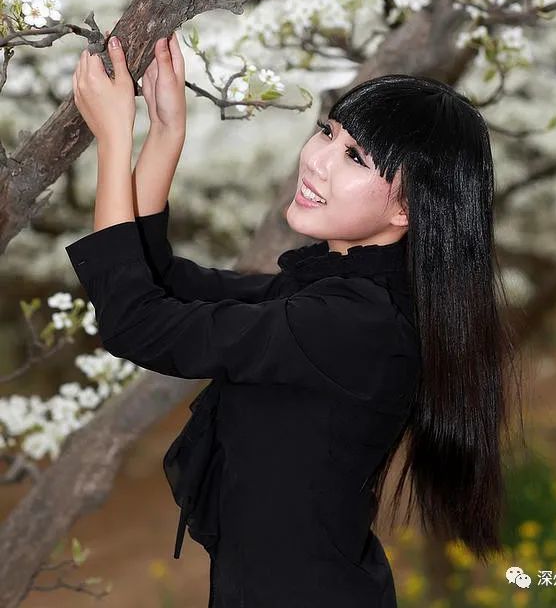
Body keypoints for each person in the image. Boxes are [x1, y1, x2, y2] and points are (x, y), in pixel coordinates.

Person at [65, 32, 522, 608]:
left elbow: (137, 322)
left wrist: (111, 143)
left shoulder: (358, 325)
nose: (316, 160)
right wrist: (163, 134)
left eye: (355, 158)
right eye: (328, 131)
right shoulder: (343, 290)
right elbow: (158, 283)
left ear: (408, 208)